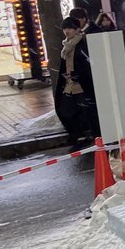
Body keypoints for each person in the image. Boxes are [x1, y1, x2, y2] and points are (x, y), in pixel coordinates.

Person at [54, 15, 99, 150]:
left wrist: (76, 74)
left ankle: (91, 137)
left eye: (70, 28)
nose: (67, 31)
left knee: (87, 111)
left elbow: (88, 64)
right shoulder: (66, 45)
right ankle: (81, 136)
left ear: (77, 29)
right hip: (69, 84)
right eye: (64, 29)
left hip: (81, 85)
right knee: (66, 111)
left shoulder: (83, 43)